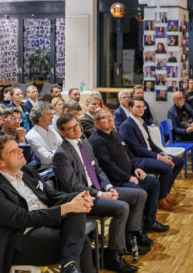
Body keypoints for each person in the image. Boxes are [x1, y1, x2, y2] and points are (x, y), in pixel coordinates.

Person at [0, 135, 94, 273]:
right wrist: (68, 207)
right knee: (81, 241)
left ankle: (69, 265)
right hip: (18, 241)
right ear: (0, 163)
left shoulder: (26, 171)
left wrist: (79, 198)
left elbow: (51, 195)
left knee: (77, 207)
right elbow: (23, 218)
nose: (21, 151)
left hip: (43, 223)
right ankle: (69, 264)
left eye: (18, 147)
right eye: (13, 151)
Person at [53, 114, 148, 271]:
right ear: (63, 132)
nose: (77, 129)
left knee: (139, 195)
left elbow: (97, 169)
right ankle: (114, 256)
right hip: (84, 198)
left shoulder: (85, 144)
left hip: (100, 190)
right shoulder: (61, 154)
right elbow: (73, 187)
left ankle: (130, 238)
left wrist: (109, 187)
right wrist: (100, 194)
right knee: (122, 207)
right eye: (71, 128)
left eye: (77, 125)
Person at [89, 108, 167, 234]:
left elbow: (128, 153)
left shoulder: (114, 133)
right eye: (104, 117)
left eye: (110, 116)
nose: (109, 119)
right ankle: (136, 230)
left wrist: (136, 168)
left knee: (153, 183)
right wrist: (128, 177)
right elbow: (108, 166)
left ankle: (150, 221)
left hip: (128, 174)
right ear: (96, 123)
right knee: (140, 191)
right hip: (115, 181)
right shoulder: (96, 140)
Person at [119, 99, 183, 210]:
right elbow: (137, 149)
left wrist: (163, 154)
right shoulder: (126, 125)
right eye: (138, 106)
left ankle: (165, 194)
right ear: (130, 108)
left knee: (178, 161)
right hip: (139, 159)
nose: (141, 109)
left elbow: (151, 144)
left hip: (149, 155)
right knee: (167, 167)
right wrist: (159, 157)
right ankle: (160, 199)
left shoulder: (142, 122)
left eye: (142, 107)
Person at [26, 103, 62, 170]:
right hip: (46, 171)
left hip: (59, 167)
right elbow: (46, 159)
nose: (52, 116)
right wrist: (59, 150)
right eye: (49, 114)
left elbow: (65, 148)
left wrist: (53, 151)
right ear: (39, 117)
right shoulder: (32, 136)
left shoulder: (53, 131)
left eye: (52, 114)